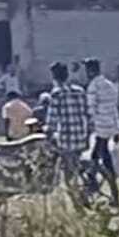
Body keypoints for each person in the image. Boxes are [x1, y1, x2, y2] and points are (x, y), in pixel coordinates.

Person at [44, 60, 90, 194]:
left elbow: (51, 120)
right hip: (81, 135)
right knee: (75, 163)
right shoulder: (80, 91)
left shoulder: (57, 93)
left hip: (66, 139)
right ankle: (81, 188)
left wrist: (47, 131)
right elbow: (87, 112)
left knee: (68, 170)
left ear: (54, 77)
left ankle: (75, 196)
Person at [84, 57, 119, 207]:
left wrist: (88, 127)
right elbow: (114, 109)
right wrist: (117, 129)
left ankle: (93, 185)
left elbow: (91, 110)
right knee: (103, 157)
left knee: (97, 158)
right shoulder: (110, 85)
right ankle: (113, 193)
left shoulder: (93, 86)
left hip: (100, 127)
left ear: (91, 71)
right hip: (110, 126)